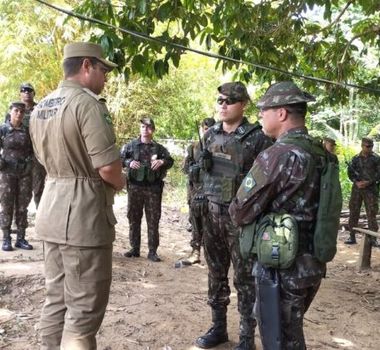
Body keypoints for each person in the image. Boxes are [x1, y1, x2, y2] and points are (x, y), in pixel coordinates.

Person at [29, 42, 125, 350]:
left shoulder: (41, 105)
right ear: (86, 66)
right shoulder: (88, 105)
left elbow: (43, 160)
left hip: (51, 209)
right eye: (102, 69)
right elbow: (108, 167)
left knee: (55, 299)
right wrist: (121, 182)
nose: (106, 77)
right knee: (83, 314)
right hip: (84, 217)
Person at [229, 81, 325, 349]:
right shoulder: (321, 154)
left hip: (282, 267)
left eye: (264, 110)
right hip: (312, 263)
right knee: (290, 332)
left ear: (281, 113)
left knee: (280, 340)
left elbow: (239, 210)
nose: (260, 115)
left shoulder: (277, 155)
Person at [195, 82, 272, 350]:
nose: (223, 105)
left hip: (240, 221)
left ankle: (247, 337)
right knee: (215, 275)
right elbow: (199, 177)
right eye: (219, 100)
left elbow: (266, 182)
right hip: (211, 215)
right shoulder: (210, 135)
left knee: (245, 279)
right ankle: (218, 328)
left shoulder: (258, 137)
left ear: (243, 105)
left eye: (230, 100)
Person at [121, 117, 174, 262]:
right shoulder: (131, 146)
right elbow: (119, 159)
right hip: (135, 188)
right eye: (143, 127)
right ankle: (135, 248)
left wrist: (162, 161)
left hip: (153, 189)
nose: (145, 130)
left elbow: (170, 161)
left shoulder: (159, 148)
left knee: (153, 220)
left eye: (149, 127)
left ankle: (152, 251)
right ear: (140, 129)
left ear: (153, 130)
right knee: (133, 218)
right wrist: (128, 162)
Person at [0, 101, 33, 251]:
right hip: (7, 173)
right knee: (7, 205)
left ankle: (21, 238)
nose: (19, 114)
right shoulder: (3, 129)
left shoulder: (27, 131)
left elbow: (33, 150)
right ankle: (6, 238)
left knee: (22, 206)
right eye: (16, 111)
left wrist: (30, 164)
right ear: (10, 112)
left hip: (24, 173)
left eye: (21, 112)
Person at [182, 117, 215, 264]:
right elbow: (185, 168)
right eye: (205, 128)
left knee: (212, 226)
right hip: (196, 192)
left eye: (210, 128)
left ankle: (211, 255)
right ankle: (195, 252)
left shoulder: (218, 146)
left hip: (213, 193)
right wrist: (193, 168)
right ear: (202, 129)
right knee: (196, 224)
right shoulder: (193, 147)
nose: (207, 131)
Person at [345, 137, 380, 246]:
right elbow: (350, 173)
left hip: (371, 190)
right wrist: (356, 182)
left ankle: (373, 238)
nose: (370, 148)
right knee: (354, 211)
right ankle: (352, 236)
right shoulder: (355, 159)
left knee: (371, 213)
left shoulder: (376, 159)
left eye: (371, 146)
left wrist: (369, 182)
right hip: (357, 190)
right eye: (367, 146)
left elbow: (379, 174)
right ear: (362, 146)